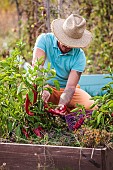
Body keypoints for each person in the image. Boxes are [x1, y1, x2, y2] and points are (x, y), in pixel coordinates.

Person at [32, 14, 95, 114]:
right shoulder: (44, 40)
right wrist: (42, 88)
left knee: (92, 106)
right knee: (30, 98)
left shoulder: (79, 56)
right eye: (65, 40)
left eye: (71, 43)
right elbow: (37, 68)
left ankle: (62, 110)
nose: (66, 45)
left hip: (64, 90)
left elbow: (70, 88)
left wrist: (62, 105)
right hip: (45, 86)